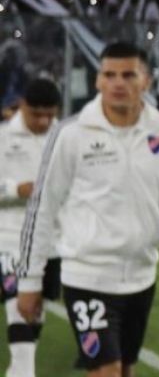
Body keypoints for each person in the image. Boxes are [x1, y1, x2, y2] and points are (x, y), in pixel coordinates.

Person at [16, 42, 159, 377]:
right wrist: (29, 280)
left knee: (124, 370)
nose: (118, 83)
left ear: (146, 81)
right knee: (107, 371)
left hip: (141, 277)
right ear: (98, 81)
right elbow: (43, 208)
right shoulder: (72, 134)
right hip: (87, 275)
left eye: (128, 75)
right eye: (109, 75)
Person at [0, 78, 62, 377]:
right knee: (19, 307)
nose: (43, 122)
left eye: (50, 115)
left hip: (53, 242)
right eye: (37, 114)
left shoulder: (65, 138)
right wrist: (16, 189)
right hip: (10, 239)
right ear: (22, 106)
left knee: (35, 314)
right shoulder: (3, 137)